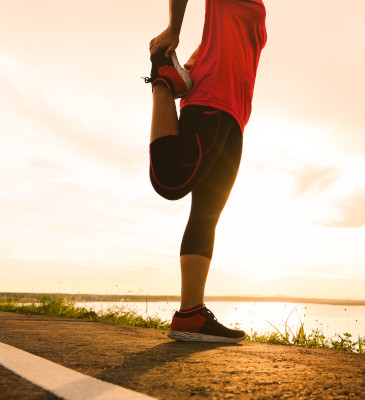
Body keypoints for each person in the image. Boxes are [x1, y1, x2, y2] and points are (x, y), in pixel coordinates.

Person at [146, 0, 267, 343]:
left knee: (206, 217)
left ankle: (191, 315)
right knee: (171, 181)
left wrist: (199, 52)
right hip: (211, 98)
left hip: (236, 114)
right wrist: (174, 30)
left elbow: (222, 38)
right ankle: (160, 79)